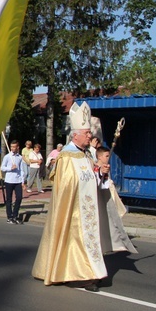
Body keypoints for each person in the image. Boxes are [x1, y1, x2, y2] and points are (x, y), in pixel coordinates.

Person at [32, 102, 137, 293]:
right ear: (76, 135)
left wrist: (101, 172)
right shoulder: (66, 157)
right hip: (73, 210)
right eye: (87, 133)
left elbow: (91, 180)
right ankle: (79, 275)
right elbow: (66, 186)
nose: (90, 136)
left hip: (87, 209)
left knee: (88, 242)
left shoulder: (85, 155)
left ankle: (89, 273)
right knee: (76, 242)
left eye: (90, 133)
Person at [1, 140, 25, 224]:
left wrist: (23, 181)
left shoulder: (20, 157)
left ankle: (15, 215)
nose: (12, 148)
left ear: (18, 147)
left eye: (14, 147)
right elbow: (2, 168)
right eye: (11, 147)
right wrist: (10, 168)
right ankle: (9, 216)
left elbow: (21, 169)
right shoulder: (7, 157)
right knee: (9, 199)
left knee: (19, 198)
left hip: (17, 180)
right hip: (9, 180)